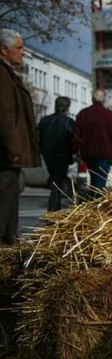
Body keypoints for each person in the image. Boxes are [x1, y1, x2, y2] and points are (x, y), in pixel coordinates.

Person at [0, 29, 40, 245]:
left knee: (10, 194)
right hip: (4, 153)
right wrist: (13, 147)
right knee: (5, 196)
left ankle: (9, 238)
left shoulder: (8, 74)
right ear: (4, 50)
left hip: (7, 152)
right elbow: (5, 115)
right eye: (19, 48)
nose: (23, 53)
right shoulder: (2, 76)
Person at [72, 89, 112, 193]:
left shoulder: (83, 114)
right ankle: (97, 204)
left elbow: (76, 135)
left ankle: (93, 201)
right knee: (100, 183)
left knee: (94, 180)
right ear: (104, 100)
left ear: (92, 98)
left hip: (88, 152)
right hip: (105, 153)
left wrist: (75, 151)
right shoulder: (109, 115)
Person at [37, 96, 76, 211]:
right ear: (67, 107)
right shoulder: (69, 122)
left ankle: (54, 208)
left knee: (56, 182)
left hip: (47, 155)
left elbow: (37, 137)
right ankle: (53, 209)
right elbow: (72, 140)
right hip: (62, 156)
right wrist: (73, 154)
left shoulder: (45, 121)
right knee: (57, 184)